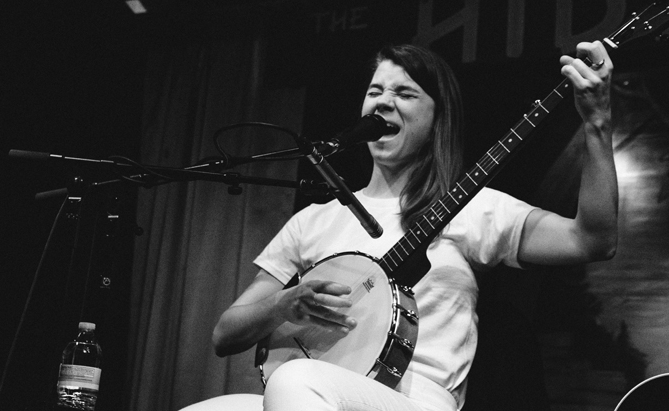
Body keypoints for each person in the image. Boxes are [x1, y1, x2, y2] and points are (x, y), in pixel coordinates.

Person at [184, 41, 617, 411]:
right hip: (316, 392)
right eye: (375, 91)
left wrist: (597, 123)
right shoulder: (314, 220)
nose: (383, 102)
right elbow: (225, 333)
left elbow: (591, 240)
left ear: (437, 118)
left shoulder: (471, 207)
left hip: (416, 400)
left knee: (295, 380)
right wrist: (284, 304)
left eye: (405, 93)